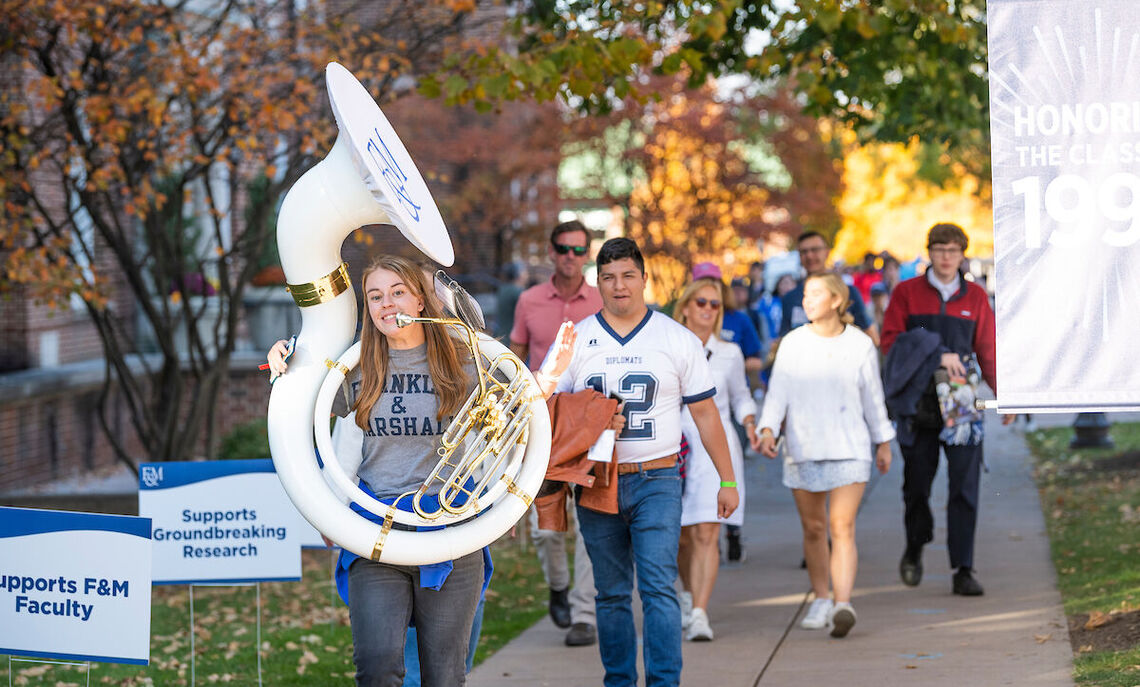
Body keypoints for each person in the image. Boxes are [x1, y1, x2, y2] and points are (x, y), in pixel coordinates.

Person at [266, 255, 487, 687]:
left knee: (444, 677)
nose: (387, 304)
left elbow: (512, 414)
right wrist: (283, 360)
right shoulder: (354, 370)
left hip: (449, 531)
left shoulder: (464, 364)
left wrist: (498, 503)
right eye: (375, 296)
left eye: (397, 292)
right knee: (378, 667)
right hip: (375, 532)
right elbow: (296, 403)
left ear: (420, 300)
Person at [536, 237, 738, 687]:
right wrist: (590, 414)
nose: (619, 286)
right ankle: (619, 681)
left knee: (658, 588)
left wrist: (727, 480)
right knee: (610, 594)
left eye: (628, 276)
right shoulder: (577, 337)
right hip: (595, 479)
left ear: (644, 280)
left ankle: (664, 682)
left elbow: (706, 414)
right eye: (608, 277)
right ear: (598, 283)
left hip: (658, 476)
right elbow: (541, 404)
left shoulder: (676, 338)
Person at [758, 273, 895, 639]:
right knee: (814, 528)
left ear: (837, 300)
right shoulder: (793, 343)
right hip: (804, 446)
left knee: (842, 526)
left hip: (850, 447)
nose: (806, 301)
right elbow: (777, 394)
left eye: (815, 294)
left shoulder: (860, 346)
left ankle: (842, 603)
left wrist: (883, 441)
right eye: (805, 295)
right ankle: (821, 597)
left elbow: (873, 398)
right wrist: (767, 429)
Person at [880, 223, 1013, 598]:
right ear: (929, 252)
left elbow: (987, 349)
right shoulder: (906, 294)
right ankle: (915, 545)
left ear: (962, 255)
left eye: (953, 250)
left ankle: (963, 568)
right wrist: (937, 353)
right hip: (919, 404)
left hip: (963, 403)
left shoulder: (975, 297)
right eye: (939, 249)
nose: (946, 257)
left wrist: (1004, 397)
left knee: (965, 487)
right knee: (917, 487)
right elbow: (891, 343)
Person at [509, 219, 603, 646]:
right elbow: (516, 357)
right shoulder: (529, 301)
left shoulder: (603, 301)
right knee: (546, 529)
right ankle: (558, 586)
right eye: (563, 248)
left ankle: (585, 614)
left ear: (588, 254)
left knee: (588, 523)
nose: (571, 257)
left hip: (586, 425)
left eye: (579, 250)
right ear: (551, 251)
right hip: (541, 426)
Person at [672, 278, 760, 641]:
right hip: (674, 444)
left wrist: (752, 422)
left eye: (714, 305)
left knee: (708, 530)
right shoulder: (668, 346)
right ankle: (687, 595)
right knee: (681, 536)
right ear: (687, 307)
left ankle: (699, 612)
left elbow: (740, 396)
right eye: (701, 303)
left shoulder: (730, 352)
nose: (708, 309)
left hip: (715, 447)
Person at [778, 232, 875, 343]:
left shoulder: (848, 292)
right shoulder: (790, 298)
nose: (809, 255)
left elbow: (870, 335)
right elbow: (784, 339)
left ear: (827, 252)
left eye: (815, 250)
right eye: (804, 252)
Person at [494, 260, 528, 343]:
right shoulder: (517, 292)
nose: (527, 275)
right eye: (524, 272)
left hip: (502, 337)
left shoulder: (503, 289)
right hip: (513, 341)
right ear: (519, 274)